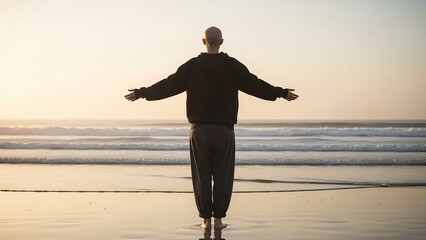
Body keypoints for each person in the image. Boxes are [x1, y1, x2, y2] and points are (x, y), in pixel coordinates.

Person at [124, 26, 299, 230]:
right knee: (223, 177)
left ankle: (205, 221)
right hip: (225, 131)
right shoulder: (232, 66)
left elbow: (168, 85)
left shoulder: (192, 66)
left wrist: (142, 93)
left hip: (199, 131)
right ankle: (218, 221)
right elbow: (255, 85)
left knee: (202, 177)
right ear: (222, 42)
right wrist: (281, 92)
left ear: (203, 41)